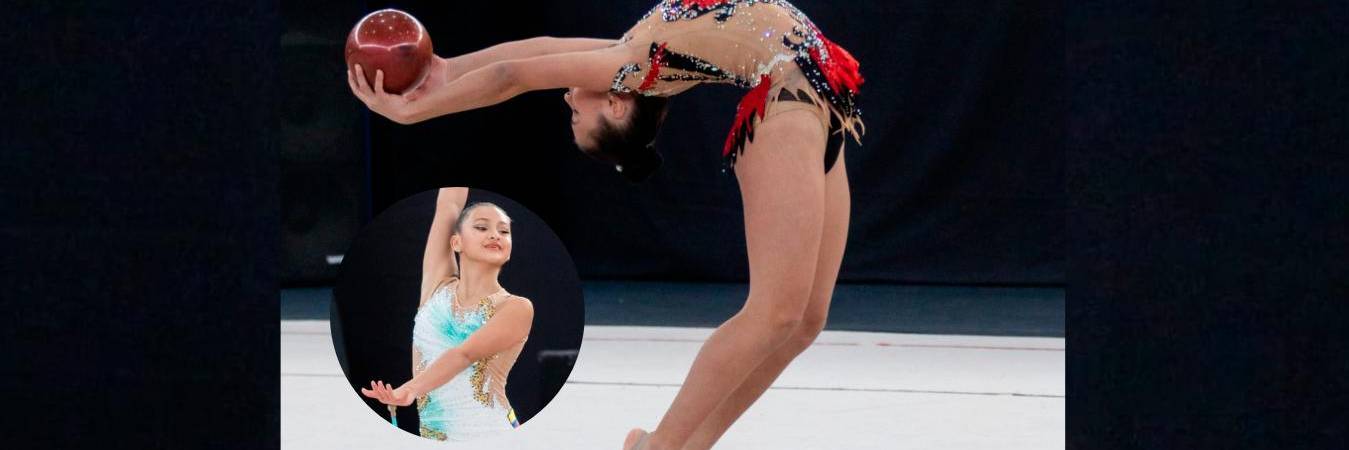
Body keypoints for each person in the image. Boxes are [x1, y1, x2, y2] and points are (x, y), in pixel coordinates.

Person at [348, 2, 862, 449]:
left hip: (816, 97)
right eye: (578, 117)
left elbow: (532, 56)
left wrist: (443, 76)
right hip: (786, 105)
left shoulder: (636, 53)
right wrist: (422, 104)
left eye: (572, 115)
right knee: (776, 314)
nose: (569, 100)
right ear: (615, 104)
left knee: (804, 321)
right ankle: (662, 446)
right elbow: (514, 74)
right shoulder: (635, 64)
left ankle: (680, 445)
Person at [361, 188, 535, 441]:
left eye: (504, 231)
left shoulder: (516, 308)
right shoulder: (437, 287)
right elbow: (449, 204)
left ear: (509, 249)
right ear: (456, 242)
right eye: (482, 227)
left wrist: (410, 389)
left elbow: (464, 354)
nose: (495, 235)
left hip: (489, 433)